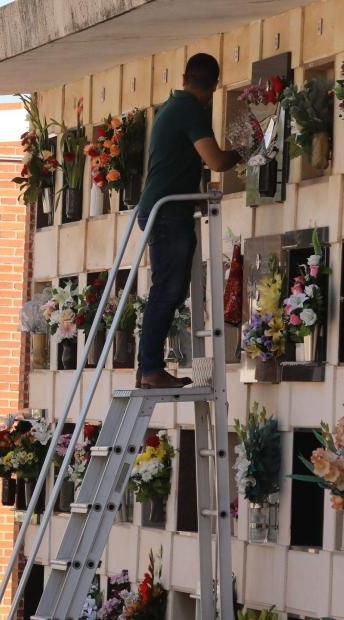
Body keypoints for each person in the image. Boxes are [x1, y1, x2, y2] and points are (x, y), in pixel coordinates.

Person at [136, 52, 242, 389]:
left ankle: (149, 368)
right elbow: (215, 160)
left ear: (184, 77)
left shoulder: (171, 107)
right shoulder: (190, 109)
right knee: (167, 291)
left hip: (162, 209)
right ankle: (150, 369)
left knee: (170, 289)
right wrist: (245, 150)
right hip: (168, 214)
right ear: (214, 85)